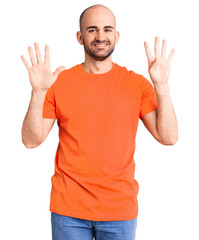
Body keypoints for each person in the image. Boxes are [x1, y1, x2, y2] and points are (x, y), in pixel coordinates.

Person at [21, 4, 178, 240]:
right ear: (80, 36)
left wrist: (162, 85)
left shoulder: (136, 84)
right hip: (68, 211)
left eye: (107, 29)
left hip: (119, 210)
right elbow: (31, 141)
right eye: (92, 30)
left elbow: (169, 137)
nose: (101, 37)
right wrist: (38, 92)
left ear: (117, 36)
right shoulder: (59, 83)